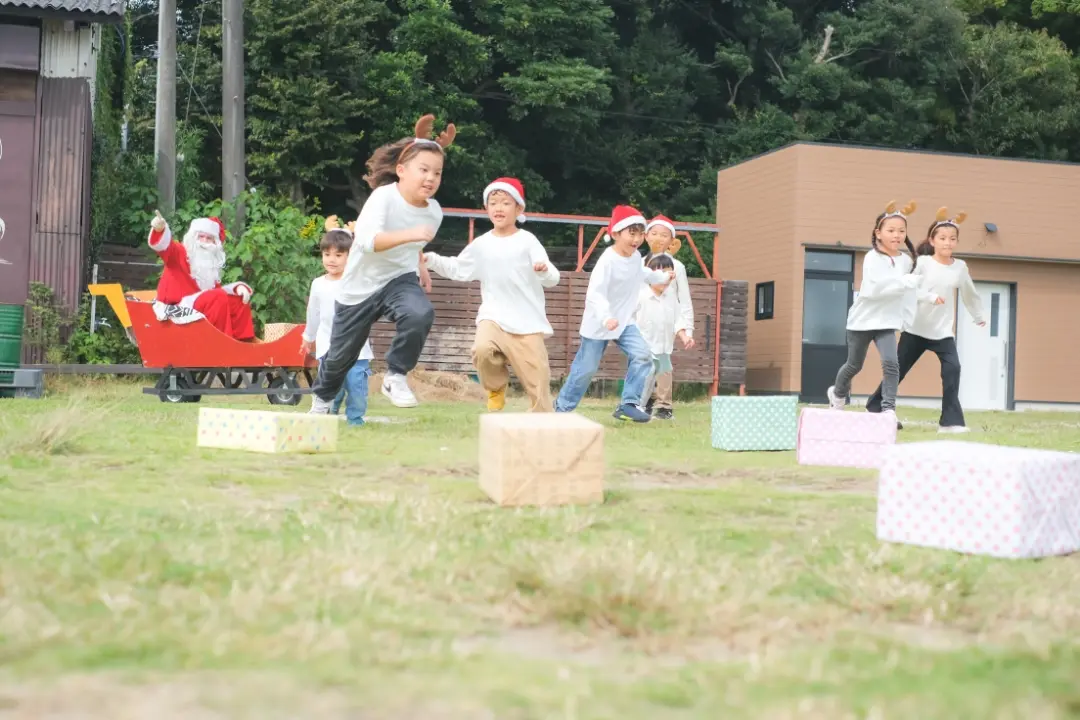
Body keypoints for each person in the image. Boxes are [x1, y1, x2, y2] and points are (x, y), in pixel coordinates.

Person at [308, 113, 454, 413]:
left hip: (397, 279)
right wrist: (410, 234)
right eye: (423, 170)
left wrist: (421, 264)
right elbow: (367, 242)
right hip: (359, 287)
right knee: (339, 357)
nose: (430, 178)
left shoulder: (434, 212)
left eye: (437, 173)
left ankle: (396, 376)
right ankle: (321, 400)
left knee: (420, 313)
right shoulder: (383, 198)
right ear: (401, 170)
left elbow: (415, 245)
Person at [424, 177, 560, 412]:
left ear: (519, 209)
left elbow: (553, 278)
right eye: (493, 202)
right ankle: (495, 390)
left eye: (505, 203)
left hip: (527, 321)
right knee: (482, 349)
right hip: (493, 316)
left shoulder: (528, 241)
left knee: (538, 382)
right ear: (486, 208)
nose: (498, 208)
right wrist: (431, 260)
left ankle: (541, 419)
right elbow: (459, 268)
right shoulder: (482, 244)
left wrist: (544, 271)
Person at [866, 208, 985, 433]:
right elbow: (909, 289)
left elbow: (970, 293)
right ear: (932, 240)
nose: (947, 243)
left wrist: (978, 316)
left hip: (942, 332)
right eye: (942, 238)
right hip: (916, 329)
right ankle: (875, 408)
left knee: (953, 369)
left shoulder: (960, 268)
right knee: (897, 371)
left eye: (952, 239)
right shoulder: (922, 263)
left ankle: (950, 422)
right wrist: (930, 297)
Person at [554, 205, 675, 423]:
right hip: (599, 323)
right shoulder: (607, 261)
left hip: (624, 322)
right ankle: (561, 409)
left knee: (643, 355)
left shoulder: (635, 256)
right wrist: (605, 317)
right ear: (616, 233)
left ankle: (628, 404)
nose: (636, 239)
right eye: (632, 233)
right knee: (586, 370)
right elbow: (595, 294)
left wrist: (663, 278)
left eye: (640, 233)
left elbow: (643, 273)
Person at [827, 200, 921, 424]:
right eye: (891, 230)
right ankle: (837, 394)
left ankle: (888, 409)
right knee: (854, 365)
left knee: (891, 363)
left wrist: (908, 318)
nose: (896, 235)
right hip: (862, 322)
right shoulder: (872, 258)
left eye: (901, 231)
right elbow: (873, 291)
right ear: (878, 233)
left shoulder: (907, 261)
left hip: (887, 322)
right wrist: (903, 282)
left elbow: (909, 292)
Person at [300, 217, 375, 426]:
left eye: (339, 255)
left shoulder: (358, 281)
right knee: (334, 383)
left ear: (350, 257)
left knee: (356, 385)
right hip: (328, 347)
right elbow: (313, 312)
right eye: (327, 254)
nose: (331, 259)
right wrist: (308, 337)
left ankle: (355, 419)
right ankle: (331, 406)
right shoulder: (318, 284)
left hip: (357, 349)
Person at [147, 212, 255, 341]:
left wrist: (236, 289)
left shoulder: (210, 266)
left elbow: (213, 292)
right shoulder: (179, 252)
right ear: (192, 238)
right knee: (218, 298)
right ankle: (223, 346)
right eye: (200, 236)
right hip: (176, 309)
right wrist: (160, 230)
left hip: (200, 307)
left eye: (209, 238)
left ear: (216, 243)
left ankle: (243, 343)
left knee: (237, 300)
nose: (204, 241)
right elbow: (165, 247)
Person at [642, 214, 695, 419]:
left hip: (667, 321)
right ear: (646, 236)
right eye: (654, 233)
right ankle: (642, 402)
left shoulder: (677, 266)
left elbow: (684, 300)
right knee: (642, 362)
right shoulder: (638, 263)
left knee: (663, 364)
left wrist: (686, 330)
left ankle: (664, 406)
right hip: (643, 320)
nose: (658, 238)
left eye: (664, 235)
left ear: (671, 240)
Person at [634, 254, 688, 420]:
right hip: (644, 347)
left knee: (665, 374)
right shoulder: (641, 296)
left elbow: (678, 318)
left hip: (664, 347)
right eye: (661, 274)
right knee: (645, 377)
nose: (666, 279)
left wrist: (684, 336)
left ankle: (664, 408)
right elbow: (630, 318)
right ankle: (638, 406)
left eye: (669, 274)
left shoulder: (671, 297)